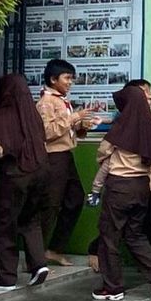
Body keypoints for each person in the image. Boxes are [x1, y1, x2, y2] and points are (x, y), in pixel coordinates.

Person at [91, 84, 151, 301]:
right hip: (142, 187)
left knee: (109, 236)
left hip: (120, 187)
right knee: (134, 234)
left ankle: (112, 287)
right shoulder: (150, 128)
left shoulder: (121, 128)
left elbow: (103, 152)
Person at [0, 74, 51, 291]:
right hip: (41, 171)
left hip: (17, 175)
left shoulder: (4, 113)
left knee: (7, 224)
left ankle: (6, 278)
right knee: (30, 219)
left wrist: (3, 152)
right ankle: (39, 265)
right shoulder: (32, 114)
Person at [37, 59, 97, 266]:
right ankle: (36, 255)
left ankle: (55, 248)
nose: (70, 82)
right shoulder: (46, 102)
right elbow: (46, 132)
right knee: (50, 205)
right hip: (53, 157)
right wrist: (74, 118)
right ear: (53, 79)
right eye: (67, 78)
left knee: (75, 199)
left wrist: (82, 125)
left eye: (72, 78)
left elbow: (68, 131)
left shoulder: (62, 100)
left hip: (66, 155)